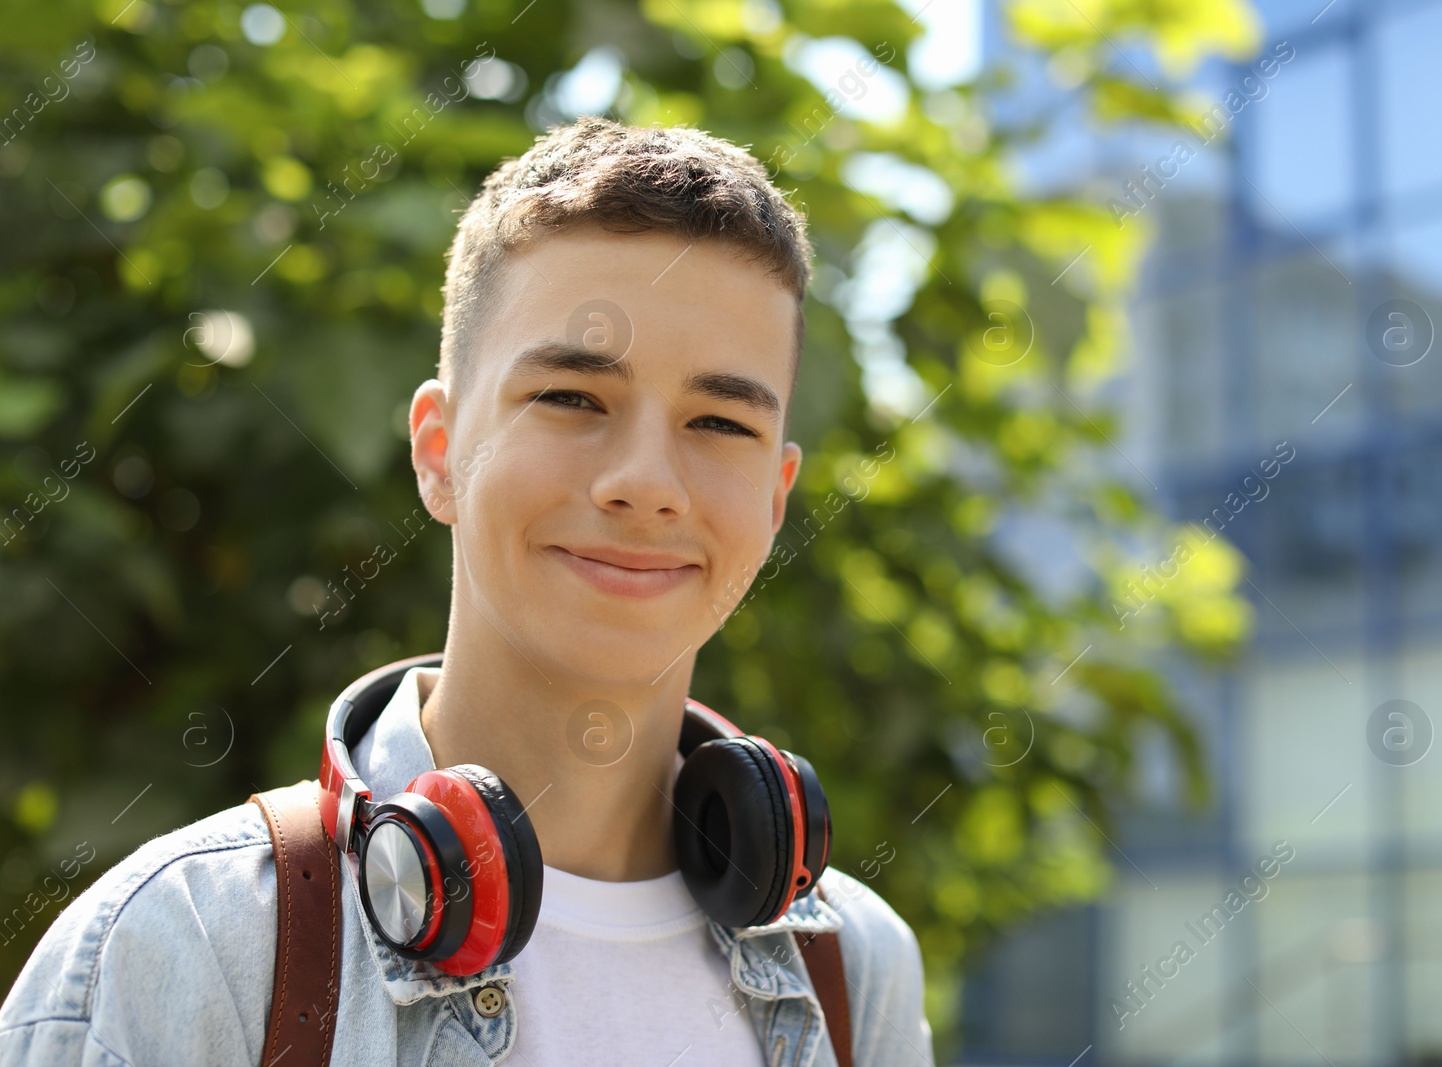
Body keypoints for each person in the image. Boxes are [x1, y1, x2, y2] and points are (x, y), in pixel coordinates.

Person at [0, 118, 934, 1066]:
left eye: (719, 420)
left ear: (777, 499)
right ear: (438, 451)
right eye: (572, 397)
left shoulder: (852, 970)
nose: (647, 480)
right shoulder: (189, 948)